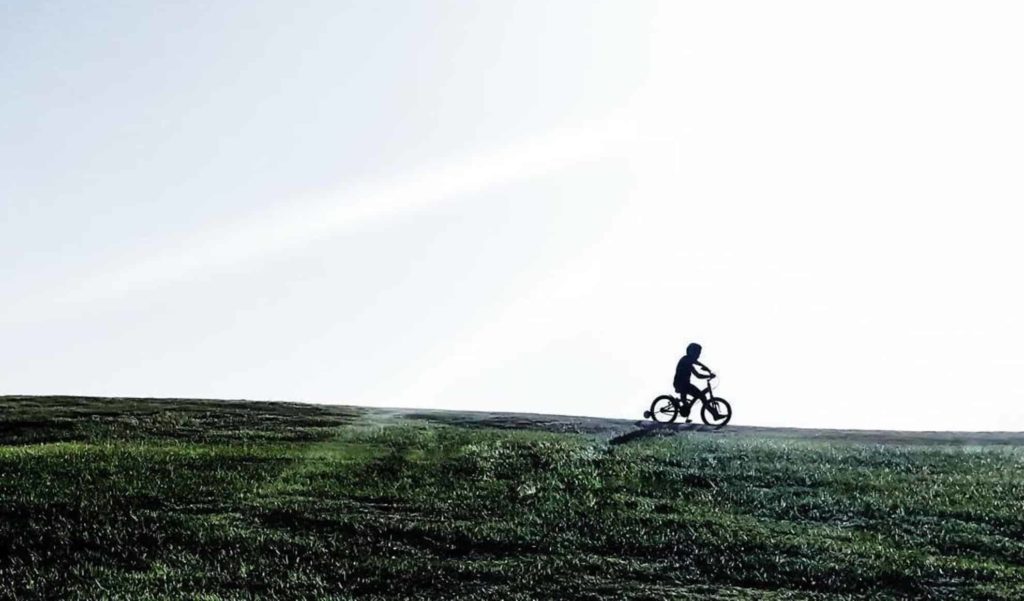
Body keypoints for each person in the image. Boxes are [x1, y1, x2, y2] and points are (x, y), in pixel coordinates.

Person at [673, 342, 715, 422]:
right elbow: (697, 367)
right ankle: (714, 414)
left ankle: (685, 409)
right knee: (701, 396)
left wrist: (707, 372)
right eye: (697, 353)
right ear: (691, 352)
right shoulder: (685, 359)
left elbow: (698, 373)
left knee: (697, 397)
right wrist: (708, 371)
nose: (698, 355)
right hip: (681, 384)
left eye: (699, 353)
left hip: (684, 384)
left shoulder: (689, 363)